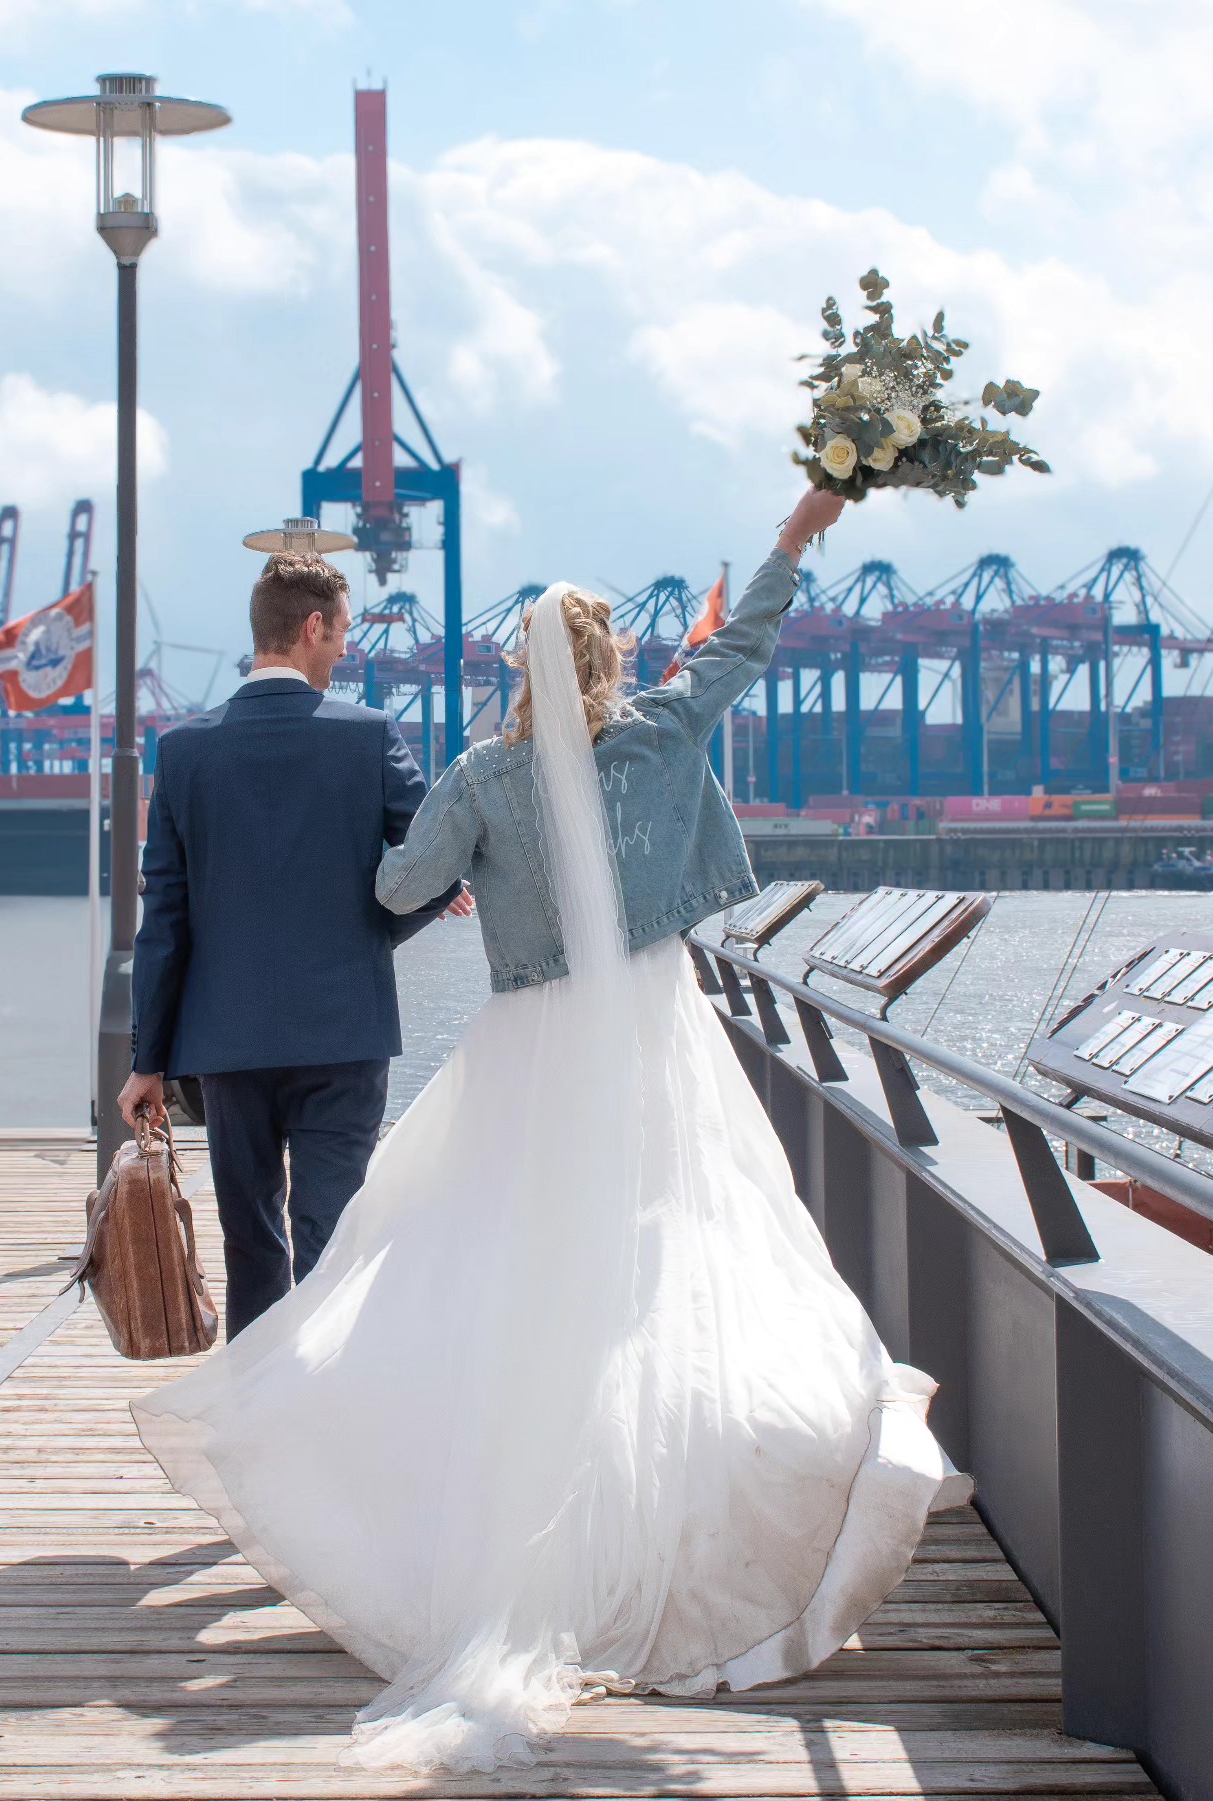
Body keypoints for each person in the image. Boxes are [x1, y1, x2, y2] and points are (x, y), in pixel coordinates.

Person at [133, 486, 966, 1774]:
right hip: (650, 1036)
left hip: (523, 1046)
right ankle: (672, 1520)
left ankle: (367, 1484)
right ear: (611, 661)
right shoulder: (664, 730)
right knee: (673, 1266)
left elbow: (396, 882)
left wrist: (460, 869)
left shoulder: (482, 774)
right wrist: (796, 538)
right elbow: (738, 654)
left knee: (464, 1268)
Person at [119, 552, 467, 1338]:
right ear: (313, 626)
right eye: (342, 634)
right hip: (343, 1030)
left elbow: (163, 920)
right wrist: (371, 935)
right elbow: (437, 865)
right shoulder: (371, 737)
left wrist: (148, 1060)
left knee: (251, 1244)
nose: (344, 651)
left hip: (227, 1042)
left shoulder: (182, 753)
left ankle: (252, 1416)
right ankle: (327, 1422)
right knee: (334, 1242)